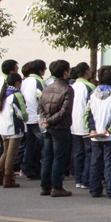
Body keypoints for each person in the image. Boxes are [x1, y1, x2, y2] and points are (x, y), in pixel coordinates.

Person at [85, 66, 111, 199]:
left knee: (95, 163)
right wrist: (108, 129)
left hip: (95, 135)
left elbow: (87, 114)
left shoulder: (92, 94)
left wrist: (91, 129)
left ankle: (95, 190)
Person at [38, 60, 73, 197]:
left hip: (48, 126)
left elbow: (40, 107)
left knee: (47, 157)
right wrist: (49, 121)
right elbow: (65, 110)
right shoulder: (67, 89)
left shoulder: (47, 88)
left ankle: (45, 186)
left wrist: (45, 120)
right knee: (58, 157)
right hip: (60, 127)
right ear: (65, 72)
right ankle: (56, 187)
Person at [0, 73, 27, 188]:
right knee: (11, 153)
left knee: (6, 151)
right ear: (17, 83)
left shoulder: (2, 93)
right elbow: (22, 112)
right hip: (14, 127)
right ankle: (8, 178)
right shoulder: (16, 94)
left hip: (3, 127)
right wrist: (26, 119)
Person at [20, 60, 47, 180]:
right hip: (37, 117)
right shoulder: (39, 81)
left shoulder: (25, 81)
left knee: (31, 145)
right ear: (40, 70)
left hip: (27, 117)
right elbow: (43, 98)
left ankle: (29, 169)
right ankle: (44, 169)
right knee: (46, 143)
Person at [70, 62, 95, 189]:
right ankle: (86, 180)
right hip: (86, 125)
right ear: (86, 72)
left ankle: (78, 179)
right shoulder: (90, 86)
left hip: (74, 124)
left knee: (78, 153)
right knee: (89, 153)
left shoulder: (72, 86)